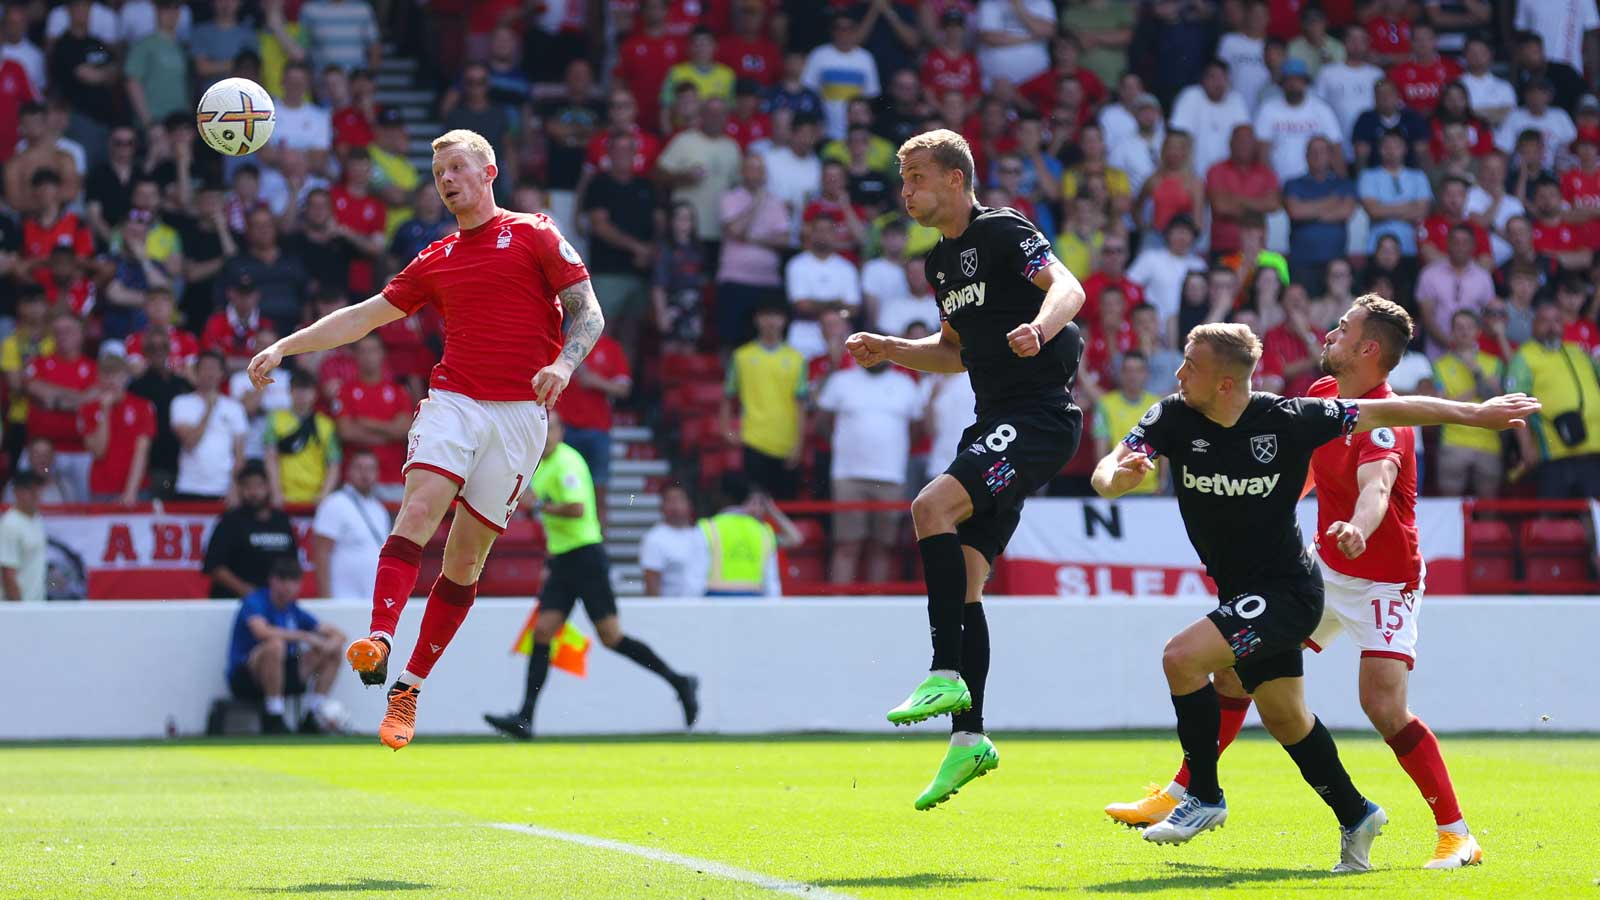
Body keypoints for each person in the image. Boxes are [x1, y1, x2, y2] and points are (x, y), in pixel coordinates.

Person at [1091, 321, 1535, 864]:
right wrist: (1116, 479)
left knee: (1183, 658)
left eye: (1192, 366)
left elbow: (1389, 426)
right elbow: (1110, 465)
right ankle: (1356, 813)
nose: (1179, 373)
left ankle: (1202, 795)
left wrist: (1473, 414)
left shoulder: (1289, 417)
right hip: (1274, 583)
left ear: (1227, 383)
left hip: (1301, 588)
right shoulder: (1173, 415)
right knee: (1285, 717)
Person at [246, 128, 607, 751]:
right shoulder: (437, 257)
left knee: (465, 560)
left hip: (521, 417)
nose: (447, 180)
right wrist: (285, 344)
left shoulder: (535, 232)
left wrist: (564, 365)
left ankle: (407, 688)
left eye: (459, 168)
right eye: (439, 172)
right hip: (455, 403)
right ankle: (379, 638)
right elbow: (363, 316)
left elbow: (588, 311)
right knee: (418, 506)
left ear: (489, 172)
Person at [845, 129, 1086, 810]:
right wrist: (892, 347)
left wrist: (1040, 328)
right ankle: (967, 740)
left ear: (955, 178)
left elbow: (1068, 286)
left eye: (916, 176)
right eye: (901, 178)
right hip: (995, 423)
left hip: (1039, 417)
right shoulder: (941, 265)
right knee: (969, 579)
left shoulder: (1003, 231)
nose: (906, 191)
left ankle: (942, 669)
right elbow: (954, 352)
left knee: (930, 507)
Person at [483, 412, 699, 740]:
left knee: (611, 637)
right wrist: (551, 558)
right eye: (543, 428)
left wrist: (538, 507)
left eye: (552, 427)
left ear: (561, 431)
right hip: (564, 559)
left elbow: (577, 509)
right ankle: (525, 717)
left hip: (586, 557)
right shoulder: (542, 466)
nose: (548, 434)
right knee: (542, 632)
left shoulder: (567, 463)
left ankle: (680, 681)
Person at [815, 357, 922, 584]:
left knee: (883, 546)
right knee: (846, 544)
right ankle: (839, 607)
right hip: (847, 475)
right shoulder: (841, 381)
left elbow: (916, 428)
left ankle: (877, 607)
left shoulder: (906, 384)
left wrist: (894, 451)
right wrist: (842, 447)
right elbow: (822, 422)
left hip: (891, 476)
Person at [226, 557, 348, 734]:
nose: (288, 587)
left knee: (333, 652)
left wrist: (327, 646)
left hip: (286, 672)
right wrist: (305, 636)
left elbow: (339, 635)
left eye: (293, 580)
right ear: (272, 581)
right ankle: (274, 715)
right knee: (276, 645)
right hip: (248, 675)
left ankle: (314, 714)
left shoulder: (294, 610)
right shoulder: (255, 601)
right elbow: (261, 631)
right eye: (282, 580)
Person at [1508, 299, 1600, 498]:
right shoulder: (1524, 356)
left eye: (1557, 321)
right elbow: (1515, 402)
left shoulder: (1578, 352)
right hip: (1554, 454)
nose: (1551, 326)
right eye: (1544, 321)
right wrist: (1526, 446)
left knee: (1594, 518)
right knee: (1552, 519)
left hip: (1594, 451)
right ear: (1533, 325)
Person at [721, 302, 807, 500]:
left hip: (785, 441)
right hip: (754, 439)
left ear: (784, 321)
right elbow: (728, 396)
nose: (771, 322)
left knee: (784, 503)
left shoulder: (797, 359)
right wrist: (726, 429)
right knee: (754, 501)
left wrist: (798, 445)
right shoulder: (742, 356)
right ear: (756, 320)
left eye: (776, 316)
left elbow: (800, 404)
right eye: (765, 315)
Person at [1433, 310, 1505, 497]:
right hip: (1453, 442)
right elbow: (1442, 408)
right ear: (1452, 332)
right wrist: (1479, 387)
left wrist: (1475, 371)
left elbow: (1496, 401)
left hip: (1488, 442)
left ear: (1478, 331)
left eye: (1469, 327)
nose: (1464, 332)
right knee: (1450, 508)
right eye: (1459, 327)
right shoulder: (1439, 365)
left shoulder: (1494, 363)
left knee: (1489, 509)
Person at [203, 461, 298, 599]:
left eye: (258, 485)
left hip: (274, 604)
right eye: (247, 486)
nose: (253, 492)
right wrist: (248, 592)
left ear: (268, 487)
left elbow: (292, 564)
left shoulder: (281, 521)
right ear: (240, 488)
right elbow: (215, 567)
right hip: (234, 603)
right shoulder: (229, 521)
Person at [700, 474, 802, 596]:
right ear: (741, 503)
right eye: (752, 502)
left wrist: (772, 510)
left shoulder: (764, 535)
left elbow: (795, 538)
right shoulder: (718, 527)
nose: (756, 509)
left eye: (761, 504)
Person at [311, 448, 392, 599]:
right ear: (349, 471)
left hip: (372, 599)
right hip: (342, 598)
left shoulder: (380, 510)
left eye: (370, 469)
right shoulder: (334, 503)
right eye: (359, 468)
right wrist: (326, 598)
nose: (364, 474)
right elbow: (321, 553)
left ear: (377, 473)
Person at [77, 350, 156, 505]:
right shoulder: (87, 409)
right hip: (102, 488)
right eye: (106, 374)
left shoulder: (143, 406)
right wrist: (105, 411)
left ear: (126, 377)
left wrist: (131, 492)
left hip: (137, 489)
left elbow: (141, 451)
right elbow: (99, 452)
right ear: (98, 378)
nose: (112, 380)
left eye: (117, 374)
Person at [171, 351, 248, 501]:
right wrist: (209, 409)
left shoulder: (235, 407)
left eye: (214, 368)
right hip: (189, 486)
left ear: (222, 374)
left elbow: (239, 455)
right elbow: (190, 442)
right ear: (196, 372)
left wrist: (235, 487)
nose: (210, 373)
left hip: (223, 489)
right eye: (205, 368)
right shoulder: (181, 403)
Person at [263, 369, 341, 506]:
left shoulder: (326, 425)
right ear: (289, 391)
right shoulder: (275, 420)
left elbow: (334, 463)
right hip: (284, 498)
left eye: (307, 390)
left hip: (316, 499)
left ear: (315, 394)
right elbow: (270, 458)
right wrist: (276, 492)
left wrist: (324, 494)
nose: (302, 395)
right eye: (298, 390)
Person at [1090, 351, 1163, 494]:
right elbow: (1101, 448)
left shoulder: (1158, 405)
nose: (1133, 375)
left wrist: (1162, 484)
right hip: (1117, 487)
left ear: (1146, 374)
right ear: (1120, 374)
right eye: (1128, 370)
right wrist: (1106, 483)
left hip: (1151, 490)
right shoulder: (1106, 404)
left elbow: (1165, 450)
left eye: (1138, 370)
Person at [639, 483, 708, 598]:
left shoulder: (701, 534)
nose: (675, 506)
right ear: (661, 506)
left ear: (689, 505)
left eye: (680, 500)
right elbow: (651, 583)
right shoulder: (654, 538)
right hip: (671, 610)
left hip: (704, 607)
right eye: (670, 501)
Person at [0, 470, 47, 603]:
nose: (35, 495)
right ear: (17, 492)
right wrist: (19, 609)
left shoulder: (37, 519)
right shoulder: (10, 524)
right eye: (29, 490)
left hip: (36, 604)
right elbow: (8, 573)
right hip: (19, 608)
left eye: (37, 489)